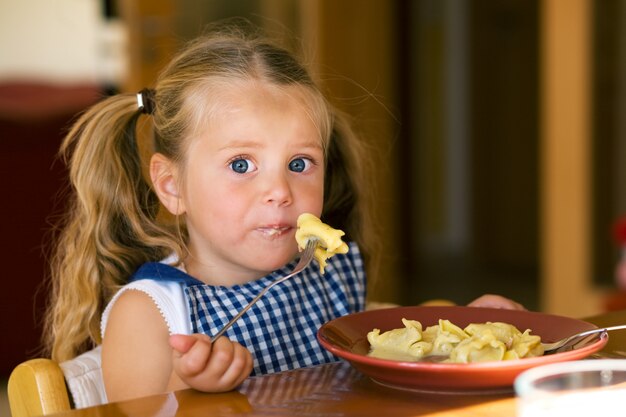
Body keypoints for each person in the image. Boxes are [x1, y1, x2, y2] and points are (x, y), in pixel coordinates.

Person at [43, 22, 523, 403]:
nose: (279, 190)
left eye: (299, 164)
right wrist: (187, 386)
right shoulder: (150, 314)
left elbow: (383, 359)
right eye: (240, 165)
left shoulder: (323, 272)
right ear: (172, 186)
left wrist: (464, 333)